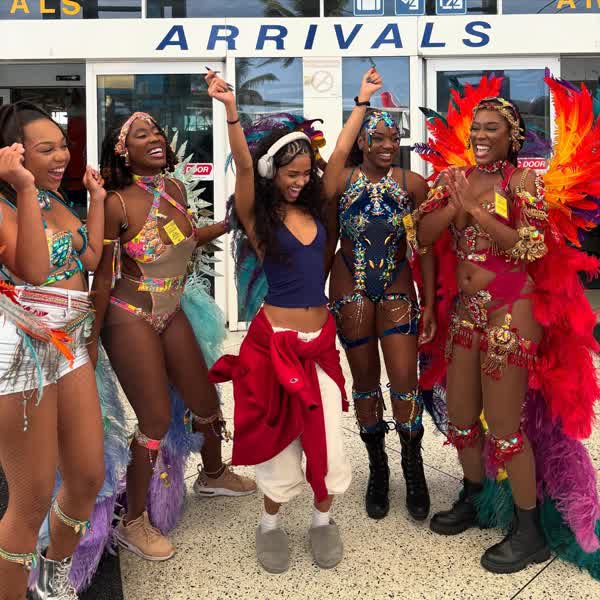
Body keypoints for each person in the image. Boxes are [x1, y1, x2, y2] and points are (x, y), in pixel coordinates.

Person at [413, 75, 600, 578]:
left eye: (491, 128)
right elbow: (421, 236)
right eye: (476, 127)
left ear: (511, 137)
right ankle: (475, 497)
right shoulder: (452, 178)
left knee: (505, 430)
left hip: (511, 312)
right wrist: (455, 205)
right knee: (460, 419)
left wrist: (476, 210)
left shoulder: (522, 183)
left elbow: (532, 248)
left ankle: (530, 531)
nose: (479, 135)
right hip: (466, 311)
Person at [91, 110, 255, 562]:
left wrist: (227, 225)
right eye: (142, 135)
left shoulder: (174, 189)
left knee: (205, 399)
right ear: (123, 152)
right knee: (156, 420)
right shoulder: (115, 204)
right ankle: (133, 522)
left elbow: (183, 240)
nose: (156, 139)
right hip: (129, 317)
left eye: (158, 132)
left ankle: (213, 474)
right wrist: (90, 339)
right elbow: (102, 277)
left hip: (173, 309)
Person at [206, 70, 351, 574]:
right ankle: (269, 524)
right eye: (290, 173)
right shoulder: (259, 219)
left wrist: (361, 102)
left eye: (306, 173)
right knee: (280, 440)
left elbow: (339, 157)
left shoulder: (320, 210)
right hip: (275, 344)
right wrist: (230, 110)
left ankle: (322, 520)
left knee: (327, 437)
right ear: (273, 172)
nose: (300, 181)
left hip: (320, 344)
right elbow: (244, 166)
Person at [0, 102, 106, 600]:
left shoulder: (52, 197)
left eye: (63, 145)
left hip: (69, 344)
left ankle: (51, 576)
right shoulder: (12, 201)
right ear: (14, 154)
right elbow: (35, 271)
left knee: (86, 476)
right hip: (22, 354)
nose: (62, 156)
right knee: (31, 500)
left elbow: (91, 254)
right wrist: (23, 188)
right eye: (47, 149)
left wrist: (96, 200)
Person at [322, 68, 436, 521]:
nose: (388, 145)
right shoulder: (341, 181)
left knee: (405, 380)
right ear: (362, 143)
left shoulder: (413, 185)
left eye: (394, 138)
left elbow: (424, 246)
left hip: (397, 286)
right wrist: (362, 100)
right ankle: (378, 469)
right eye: (378, 138)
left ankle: (413, 468)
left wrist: (429, 301)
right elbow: (328, 241)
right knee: (365, 382)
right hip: (349, 286)